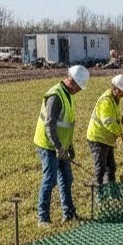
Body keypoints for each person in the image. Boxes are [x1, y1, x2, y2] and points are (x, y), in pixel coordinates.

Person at [33, 64, 89, 226]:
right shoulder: (56, 96)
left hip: (61, 146)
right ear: (72, 82)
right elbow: (50, 125)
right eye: (79, 87)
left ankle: (69, 213)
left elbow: (67, 124)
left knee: (66, 178)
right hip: (48, 145)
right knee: (50, 180)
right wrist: (59, 148)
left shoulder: (67, 95)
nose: (79, 91)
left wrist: (69, 147)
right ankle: (43, 218)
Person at [86, 73, 123, 185]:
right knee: (101, 168)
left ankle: (112, 193)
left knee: (111, 168)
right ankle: (101, 194)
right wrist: (122, 133)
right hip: (98, 139)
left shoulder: (114, 100)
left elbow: (115, 119)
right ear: (114, 88)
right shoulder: (106, 101)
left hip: (106, 139)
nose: (122, 95)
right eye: (121, 92)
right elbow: (108, 123)